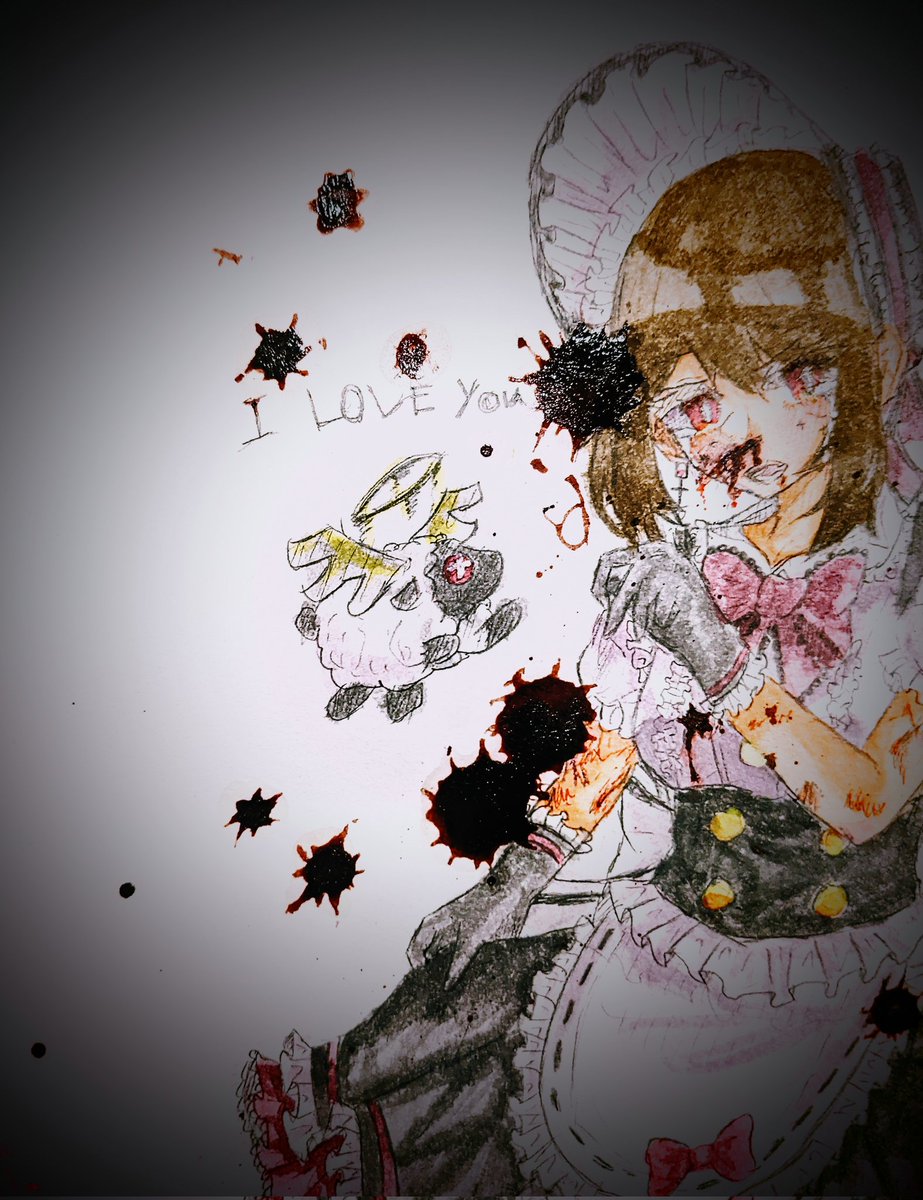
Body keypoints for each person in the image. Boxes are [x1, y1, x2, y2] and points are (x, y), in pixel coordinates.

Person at [239, 44, 923, 1196]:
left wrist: (718, 658)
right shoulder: (678, 566)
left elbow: (866, 801)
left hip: (856, 978)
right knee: (455, 1024)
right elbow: (617, 746)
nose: (721, 432)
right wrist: (514, 879)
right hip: (670, 942)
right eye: (686, 400)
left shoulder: (890, 576)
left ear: (854, 368)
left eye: (779, 371)